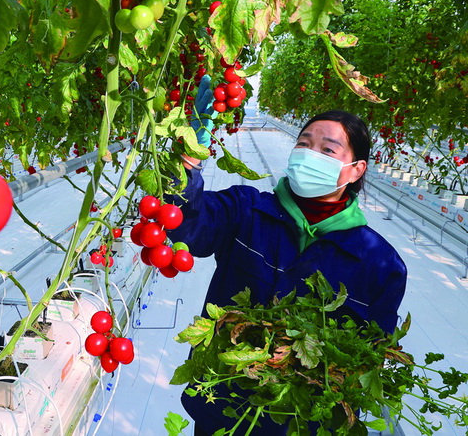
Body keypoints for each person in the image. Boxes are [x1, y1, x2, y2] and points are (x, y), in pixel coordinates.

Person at [167, 81, 408, 435]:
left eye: (328, 150)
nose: (310, 155)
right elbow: (187, 229)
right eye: (304, 143)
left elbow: (367, 356)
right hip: (221, 408)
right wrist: (188, 159)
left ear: (356, 170)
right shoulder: (246, 210)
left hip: (301, 423)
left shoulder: (380, 264)